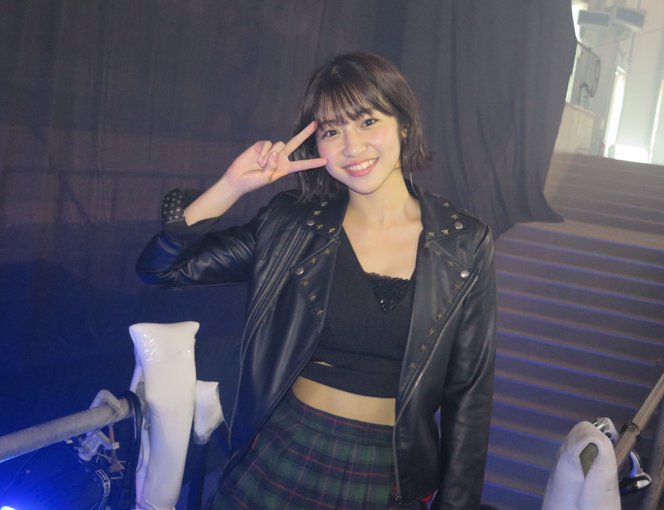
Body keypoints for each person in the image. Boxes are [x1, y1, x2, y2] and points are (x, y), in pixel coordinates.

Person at [136, 52, 497, 510]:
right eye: (331, 131)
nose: (351, 146)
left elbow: (469, 395)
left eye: (368, 121)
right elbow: (162, 269)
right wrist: (232, 186)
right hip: (285, 449)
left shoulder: (463, 243)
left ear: (404, 126)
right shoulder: (292, 225)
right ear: (316, 146)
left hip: (387, 471)